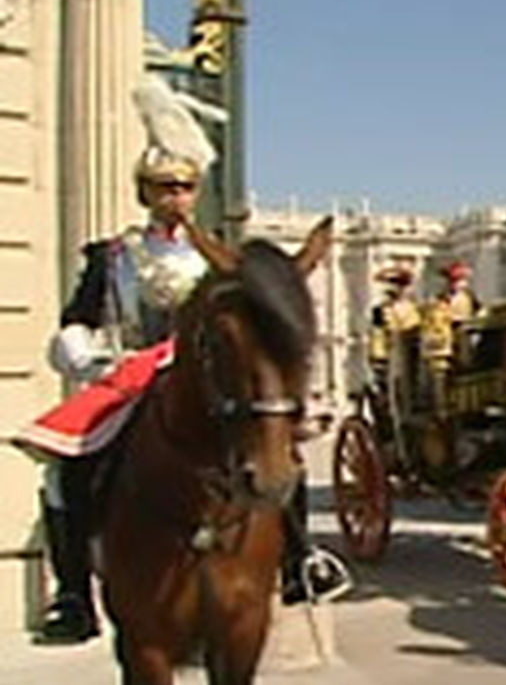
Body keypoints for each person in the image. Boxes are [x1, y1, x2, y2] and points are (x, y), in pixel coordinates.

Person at [21, 155, 348, 642]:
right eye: (164, 187)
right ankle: (73, 597)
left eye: (185, 187)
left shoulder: (219, 256)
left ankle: (300, 561)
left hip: (207, 376)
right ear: (145, 193)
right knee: (64, 469)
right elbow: (77, 320)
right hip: (131, 374)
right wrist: (87, 356)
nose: (175, 196)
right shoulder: (111, 256)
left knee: (280, 456)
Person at [421, 261, 480, 419]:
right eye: (455, 281)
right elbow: (433, 328)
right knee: (439, 373)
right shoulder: (438, 303)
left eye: (461, 281)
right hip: (444, 348)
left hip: (466, 343)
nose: (458, 285)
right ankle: (442, 409)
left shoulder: (469, 299)